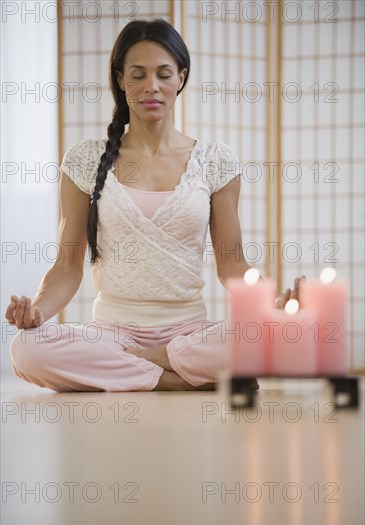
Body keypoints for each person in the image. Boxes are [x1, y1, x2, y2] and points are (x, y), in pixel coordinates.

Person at [6, 19, 303, 393]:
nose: (152, 86)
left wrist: (269, 300)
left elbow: (232, 265)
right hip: (111, 333)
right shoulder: (84, 160)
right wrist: (38, 312)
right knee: (27, 349)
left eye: (164, 74)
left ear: (181, 77)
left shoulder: (215, 160)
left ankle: (148, 364)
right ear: (120, 80)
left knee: (280, 335)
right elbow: (67, 266)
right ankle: (174, 380)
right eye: (138, 75)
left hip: (189, 331)